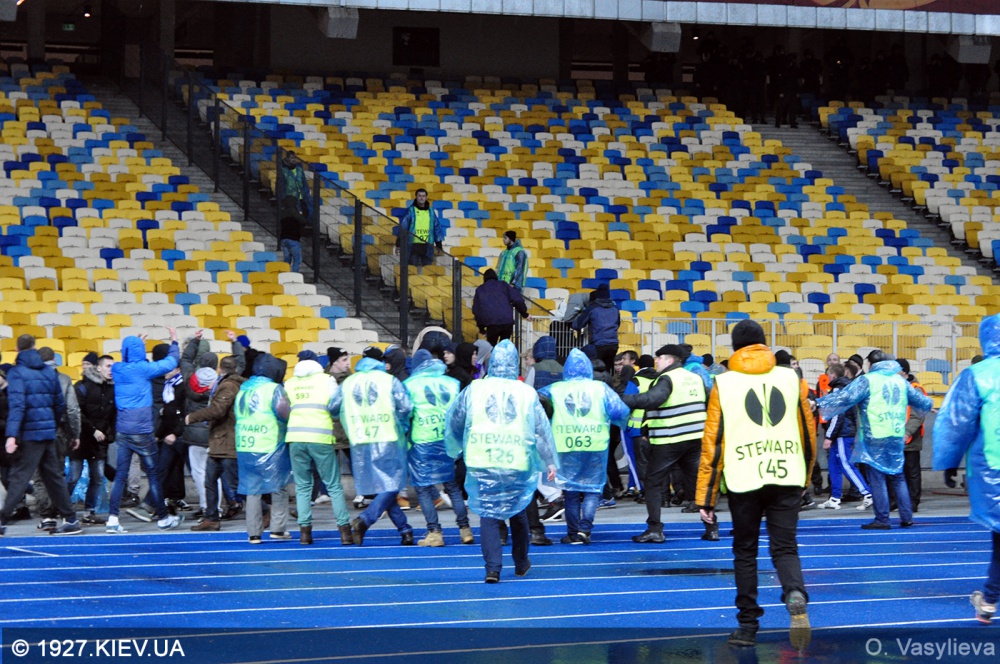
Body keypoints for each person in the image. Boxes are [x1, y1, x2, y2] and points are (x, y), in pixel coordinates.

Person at [695, 319, 815, 647]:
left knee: (745, 551)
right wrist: (805, 476)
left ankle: (748, 625)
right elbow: (807, 431)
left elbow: (713, 441)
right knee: (785, 547)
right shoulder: (791, 378)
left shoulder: (724, 383)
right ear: (764, 343)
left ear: (735, 347)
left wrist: (705, 497)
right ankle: (794, 592)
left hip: (743, 478)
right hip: (787, 473)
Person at [445, 340, 558, 583]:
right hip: (516, 459)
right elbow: (541, 430)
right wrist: (549, 460)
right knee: (517, 511)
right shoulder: (526, 392)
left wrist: (455, 448)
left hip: (482, 457)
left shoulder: (475, 389)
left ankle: (492, 568)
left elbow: (455, 420)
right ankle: (521, 561)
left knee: (488, 514)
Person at [932, 314, 1000, 624]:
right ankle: (989, 598)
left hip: (993, 469)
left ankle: (989, 601)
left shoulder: (977, 375)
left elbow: (955, 424)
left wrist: (948, 462)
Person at [818, 350, 932, 530]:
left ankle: (882, 518)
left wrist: (819, 403)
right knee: (898, 476)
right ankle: (906, 516)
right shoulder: (899, 380)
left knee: (877, 478)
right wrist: (928, 405)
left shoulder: (868, 380)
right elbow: (922, 401)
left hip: (875, 434)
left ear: (870, 364)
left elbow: (845, 397)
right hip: (895, 433)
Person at [538, 349, 630, 545]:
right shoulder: (600, 388)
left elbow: (536, 404)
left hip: (565, 445)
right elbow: (620, 411)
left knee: (570, 491)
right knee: (592, 489)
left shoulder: (555, 389)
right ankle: (584, 529)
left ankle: (572, 533)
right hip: (595, 444)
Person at [621, 345, 708, 543]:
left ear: (670, 360)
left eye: (659, 358)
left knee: (653, 482)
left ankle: (654, 528)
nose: (656, 362)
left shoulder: (667, 379)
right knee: (697, 483)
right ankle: (712, 526)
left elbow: (652, 399)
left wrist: (621, 399)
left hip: (670, 439)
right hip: (694, 438)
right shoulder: (695, 378)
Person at [0, 335, 81, 536]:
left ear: (17, 349)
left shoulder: (17, 373)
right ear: (34, 347)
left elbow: (18, 406)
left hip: (30, 434)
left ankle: (2, 519)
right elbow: (59, 404)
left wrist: (11, 435)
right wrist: (51, 424)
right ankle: (71, 519)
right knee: (54, 478)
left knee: (19, 478)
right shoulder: (48, 371)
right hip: (48, 433)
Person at [106, 330, 185, 534]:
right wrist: (174, 342)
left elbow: (129, 359)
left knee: (120, 476)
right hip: (142, 431)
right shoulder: (145, 369)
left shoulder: (117, 368)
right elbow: (171, 362)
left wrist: (135, 347)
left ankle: (113, 519)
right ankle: (163, 518)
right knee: (153, 475)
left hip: (123, 430)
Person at [336, 353, 414, 546]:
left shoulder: (348, 382)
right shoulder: (389, 380)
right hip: (387, 437)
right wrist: (401, 423)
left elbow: (332, 407)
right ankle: (365, 519)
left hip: (361, 440)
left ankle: (405, 530)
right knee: (392, 484)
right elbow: (406, 407)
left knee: (385, 487)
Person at [404, 350, 473, 547]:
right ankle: (465, 529)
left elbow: (405, 413)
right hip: (446, 440)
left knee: (423, 488)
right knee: (451, 486)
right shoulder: (451, 383)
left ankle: (434, 532)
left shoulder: (409, 384)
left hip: (422, 440)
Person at [283, 352, 353, 546]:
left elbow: (284, 409)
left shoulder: (290, 383)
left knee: (302, 486)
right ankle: (345, 531)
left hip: (296, 437)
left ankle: (305, 533)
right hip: (320, 437)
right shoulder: (326, 380)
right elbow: (336, 406)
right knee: (333, 485)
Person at [234, 354, 293, 544]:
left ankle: (254, 533)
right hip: (269, 445)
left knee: (252, 491)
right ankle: (278, 529)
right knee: (278, 487)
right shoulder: (274, 389)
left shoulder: (243, 389)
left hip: (245, 444)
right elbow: (284, 413)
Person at [186, 354, 246, 531]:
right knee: (210, 481)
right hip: (219, 441)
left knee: (234, 483)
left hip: (227, 440)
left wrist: (192, 417)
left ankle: (264, 511)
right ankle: (211, 518)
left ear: (219, 369)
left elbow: (218, 410)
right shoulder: (230, 384)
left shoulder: (228, 386)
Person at [34, 346, 81, 529]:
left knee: (39, 476)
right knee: (57, 473)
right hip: (58, 431)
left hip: (35, 431)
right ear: (55, 359)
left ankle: (47, 517)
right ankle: (62, 513)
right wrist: (75, 434)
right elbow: (73, 410)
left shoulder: (30, 379)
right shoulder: (64, 379)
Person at [817, 363, 872, 511]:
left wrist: (829, 436)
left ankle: (867, 494)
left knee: (846, 464)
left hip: (842, 433)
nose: (827, 377)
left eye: (828, 374)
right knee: (833, 465)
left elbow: (837, 415)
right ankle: (835, 498)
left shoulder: (837, 389)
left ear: (833, 375)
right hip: (845, 431)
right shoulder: (847, 387)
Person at [72, 354, 116, 526]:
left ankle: (89, 512)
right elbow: (77, 413)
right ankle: (61, 510)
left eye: (113, 366)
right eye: (108, 366)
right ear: (98, 368)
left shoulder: (113, 388)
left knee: (97, 477)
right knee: (73, 476)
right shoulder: (82, 386)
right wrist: (93, 430)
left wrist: (110, 433)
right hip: (80, 439)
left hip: (100, 441)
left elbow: (113, 415)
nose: (111, 370)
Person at [898, 358, 928, 513]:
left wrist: (907, 432)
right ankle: (900, 501)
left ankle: (913, 501)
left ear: (903, 372)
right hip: (899, 437)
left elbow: (917, 415)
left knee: (912, 471)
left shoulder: (915, 389)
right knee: (900, 472)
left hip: (911, 438)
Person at [472, 268, 529, 346]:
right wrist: (525, 314)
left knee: (491, 348)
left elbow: (477, 311)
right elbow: (517, 299)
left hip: (492, 324)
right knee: (504, 347)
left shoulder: (480, 289)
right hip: (507, 322)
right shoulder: (503, 285)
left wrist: (482, 329)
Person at [571, 283, 620, 372]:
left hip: (598, 344)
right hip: (613, 344)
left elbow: (577, 325)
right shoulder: (615, 309)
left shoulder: (592, 308)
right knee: (609, 370)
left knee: (596, 370)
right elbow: (618, 324)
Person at [398, 188, 445, 268]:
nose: (421, 198)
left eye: (423, 196)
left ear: (426, 197)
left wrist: (439, 244)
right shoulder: (411, 210)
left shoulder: (431, 211)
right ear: (416, 197)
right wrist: (399, 242)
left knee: (428, 269)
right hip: (413, 245)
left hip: (427, 245)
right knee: (412, 269)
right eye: (419, 196)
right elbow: (404, 226)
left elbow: (436, 227)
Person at [279, 150, 310, 216]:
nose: (294, 159)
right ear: (287, 159)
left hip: (301, 198)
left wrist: (306, 195)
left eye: (295, 157)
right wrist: (283, 199)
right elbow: (282, 186)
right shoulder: (283, 170)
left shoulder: (299, 169)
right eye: (292, 158)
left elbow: (304, 182)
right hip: (291, 199)